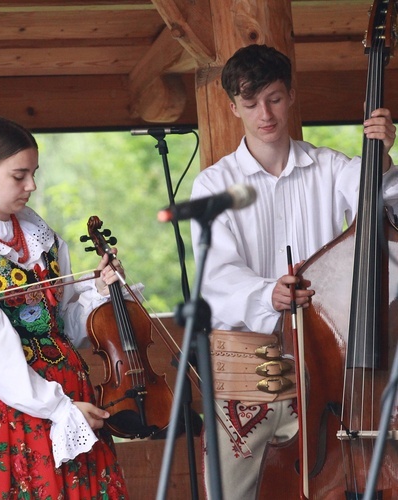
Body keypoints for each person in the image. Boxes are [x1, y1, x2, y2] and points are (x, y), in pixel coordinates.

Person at [189, 43, 398, 499]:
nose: (264, 113)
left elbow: (385, 207)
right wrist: (269, 296)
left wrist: (381, 160)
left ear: (292, 95)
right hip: (249, 368)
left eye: (275, 98)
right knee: (232, 492)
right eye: (250, 103)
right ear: (233, 108)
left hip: (330, 367)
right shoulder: (213, 184)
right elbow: (215, 275)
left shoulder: (331, 166)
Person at [0, 117, 129, 498]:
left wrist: (99, 291)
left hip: (69, 397)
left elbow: (63, 325)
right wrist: (58, 408)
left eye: (33, 173)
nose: (32, 186)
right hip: (13, 404)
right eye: (19, 175)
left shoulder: (39, 234)